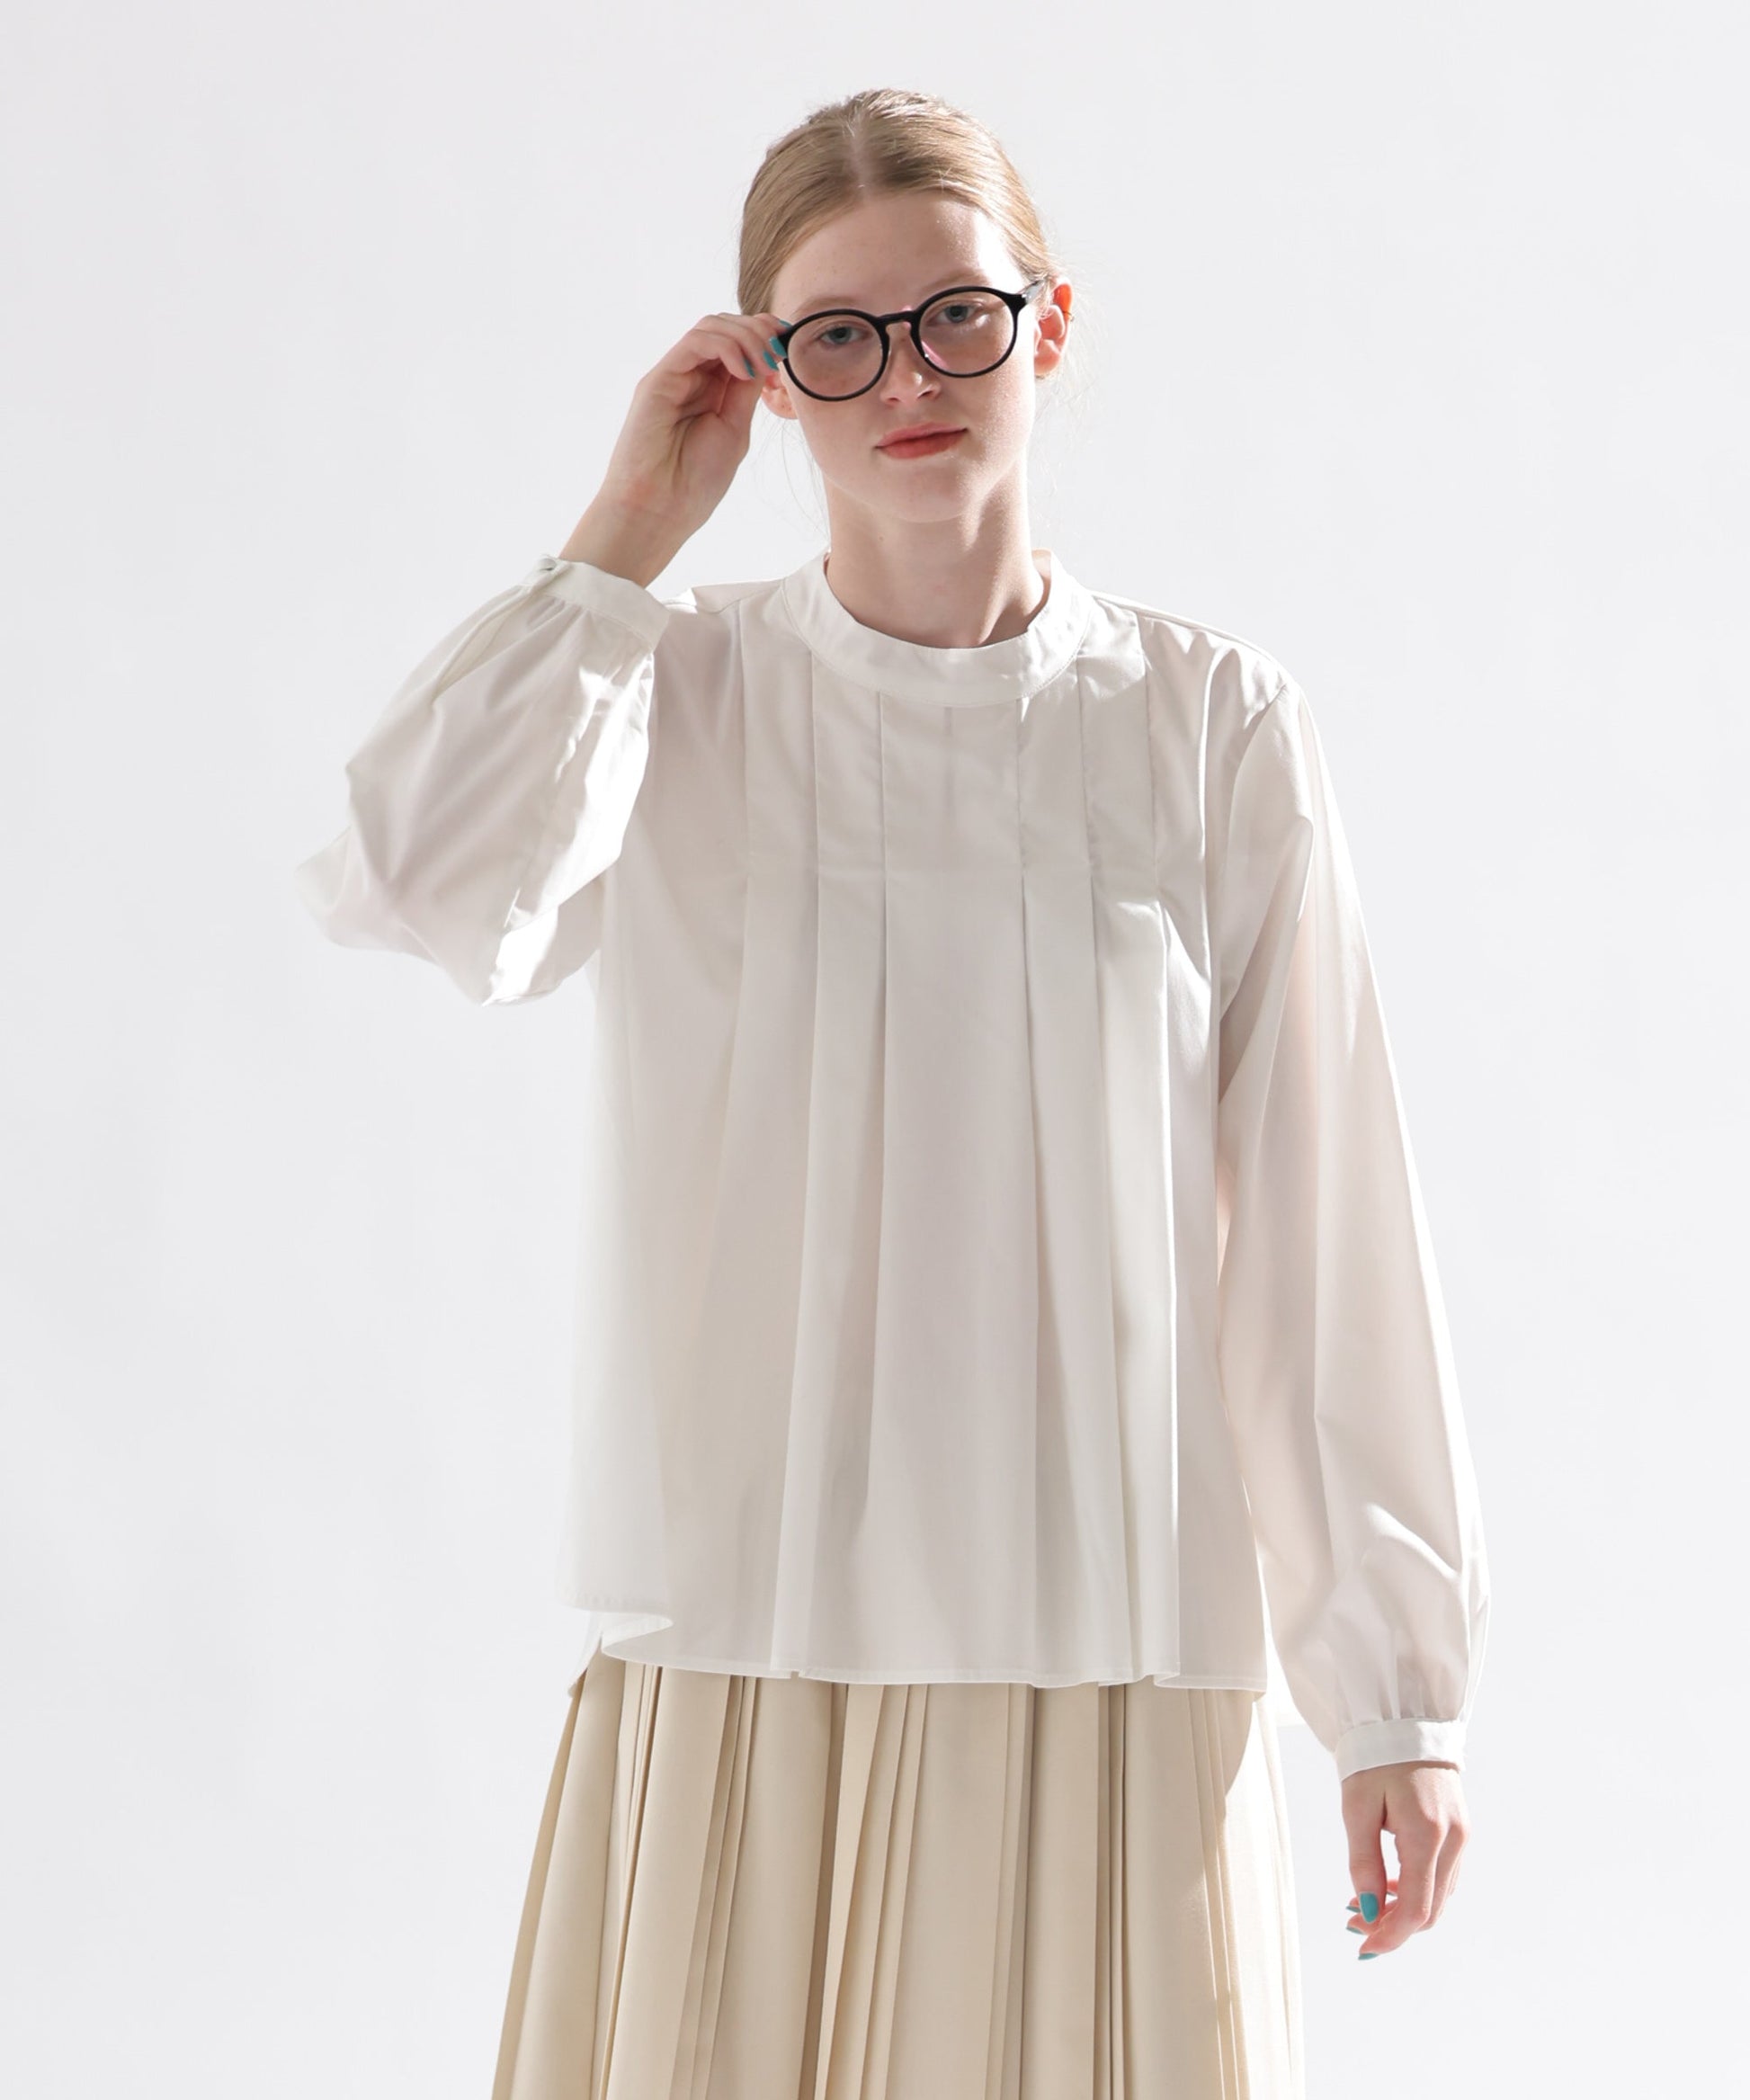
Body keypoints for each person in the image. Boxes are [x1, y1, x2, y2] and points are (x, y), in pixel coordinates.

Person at [295, 86, 1489, 2100]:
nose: (906, 379)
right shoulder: (671, 691)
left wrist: (1396, 1695)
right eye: (835, 338)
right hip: (744, 1639)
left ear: (1047, 323)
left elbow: (1321, 1226)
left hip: (1114, 1645)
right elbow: (415, 883)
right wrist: (623, 538)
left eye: (953, 316)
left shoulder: (1212, 724)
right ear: (769, 373)